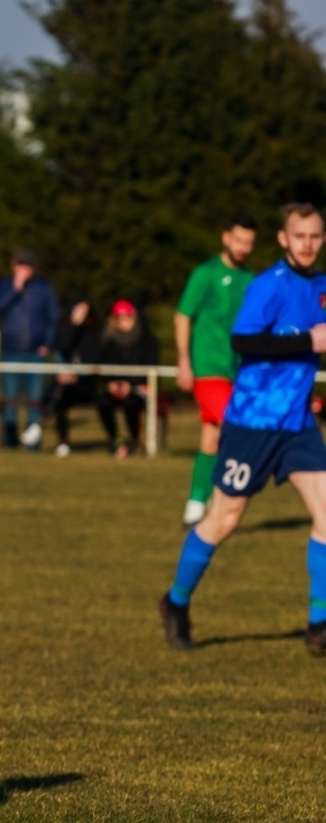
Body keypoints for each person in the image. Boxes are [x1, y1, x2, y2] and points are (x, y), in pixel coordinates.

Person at [160, 203, 326, 656]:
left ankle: (319, 623)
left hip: (296, 424)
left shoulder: (322, 288)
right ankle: (176, 602)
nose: (308, 244)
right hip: (252, 421)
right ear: (283, 239)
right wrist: (306, 341)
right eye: (300, 236)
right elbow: (243, 341)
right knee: (224, 520)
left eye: (315, 236)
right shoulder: (267, 286)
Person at [174, 215, 258, 525]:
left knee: (211, 436)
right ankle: (224, 499)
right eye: (238, 240)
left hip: (236, 368)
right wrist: (184, 360)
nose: (243, 248)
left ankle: (197, 500)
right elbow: (183, 316)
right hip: (208, 367)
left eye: (249, 243)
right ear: (226, 238)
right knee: (233, 426)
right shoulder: (205, 274)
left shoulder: (249, 279)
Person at [0, 250, 61, 450]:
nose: (24, 270)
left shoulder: (44, 288)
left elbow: (53, 318)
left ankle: (32, 444)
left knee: (34, 401)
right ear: (13, 266)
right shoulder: (4, 286)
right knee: (10, 399)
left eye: (27, 266)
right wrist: (14, 289)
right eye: (20, 265)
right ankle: (11, 441)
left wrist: (46, 344)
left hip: (35, 354)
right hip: (10, 351)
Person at [95, 300, 158, 458]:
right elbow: (104, 367)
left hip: (138, 387)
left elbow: (151, 366)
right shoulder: (109, 341)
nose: (124, 322)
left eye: (127, 317)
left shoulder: (147, 339)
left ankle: (134, 441)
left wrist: (132, 385)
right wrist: (111, 384)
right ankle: (114, 439)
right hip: (116, 387)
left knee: (132, 404)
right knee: (103, 402)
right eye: (120, 318)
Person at [46, 296, 101, 457]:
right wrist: (74, 326)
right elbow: (61, 349)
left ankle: (114, 442)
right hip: (63, 383)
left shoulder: (93, 332)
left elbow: (94, 358)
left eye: (85, 310)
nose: (82, 314)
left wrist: (77, 376)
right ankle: (62, 442)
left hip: (85, 384)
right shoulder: (63, 328)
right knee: (60, 399)